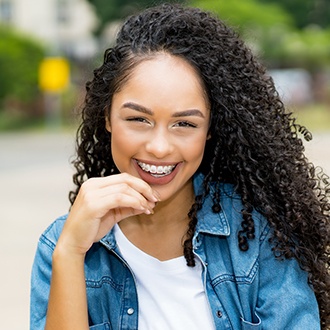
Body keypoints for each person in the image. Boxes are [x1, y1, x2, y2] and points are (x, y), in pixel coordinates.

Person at [30, 3, 330, 330]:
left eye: (184, 124)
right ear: (107, 118)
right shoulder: (62, 244)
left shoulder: (260, 236)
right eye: (138, 119)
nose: (159, 147)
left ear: (210, 129)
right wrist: (71, 253)